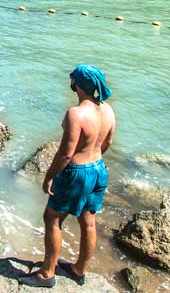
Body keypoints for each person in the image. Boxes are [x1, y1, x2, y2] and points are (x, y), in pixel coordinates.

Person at [21, 64, 115, 288]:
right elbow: (108, 142)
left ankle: (46, 273)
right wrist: (93, 161)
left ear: (78, 84)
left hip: (76, 172)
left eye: (72, 78)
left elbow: (65, 153)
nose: (70, 81)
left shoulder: (76, 114)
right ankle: (79, 269)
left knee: (53, 218)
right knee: (88, 221)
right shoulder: (108, 110)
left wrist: (49, 177)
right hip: (99, 168)